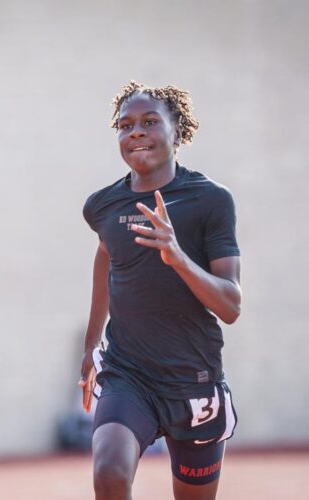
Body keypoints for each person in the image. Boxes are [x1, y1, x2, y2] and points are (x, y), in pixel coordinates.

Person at [79, 81, 241, 500]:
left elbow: (231, 305)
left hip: (194, 378)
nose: (136, 132)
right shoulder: (103, 205)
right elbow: (105, 257)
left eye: (150, 122)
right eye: (125, 124)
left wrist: (178, 257)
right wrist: (90, 344)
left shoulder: (211, 201)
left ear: (177, 132)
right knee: (109, 473)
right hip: (127, 375)